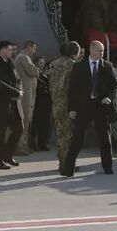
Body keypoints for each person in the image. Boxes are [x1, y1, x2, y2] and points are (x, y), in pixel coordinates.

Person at [61, 41, 117, 177]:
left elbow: (116, 84)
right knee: (77, 138)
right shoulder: (79, 66)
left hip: (101, 106)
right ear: (91, 50)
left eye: (103, 50)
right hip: (84, 106)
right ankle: (68, 169)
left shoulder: (107, 66)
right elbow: (72, 89)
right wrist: (72, 108)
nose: (101, 53)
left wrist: (110, 98)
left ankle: (107, 167)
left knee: (105, 139)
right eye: (99, 50)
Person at [0, 41, 24, 170]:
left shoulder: (10, 63)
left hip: (13, 103)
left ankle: (8, 155)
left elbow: (18, 79)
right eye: (9, 49)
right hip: (0, 104)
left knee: (19, 129)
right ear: (2, 50)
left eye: (12, 49)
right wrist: (15, 92)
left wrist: (19, 89)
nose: (11, 52)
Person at [48, 41, 81, 173]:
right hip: (68, 104)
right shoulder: (74, 65)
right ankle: (66, 164)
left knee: (61, 133)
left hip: (56, 103)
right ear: (76, 52)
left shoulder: (54, 64)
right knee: (69, 135)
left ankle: (62, 161)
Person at [14, 40, 40, 155]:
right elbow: (33, 71)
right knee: (24, 119)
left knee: (26, 119)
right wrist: (37, 70)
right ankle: (19, 146)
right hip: (25, 94)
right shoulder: (23, 57)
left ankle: (23, 145)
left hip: (27, 92)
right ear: (29, 47)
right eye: (33, 48)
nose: (34, 51)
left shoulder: (23, 57)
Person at [30, 56, 52, 152]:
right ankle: (32, 143)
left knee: (45, 123)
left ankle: (42, 143)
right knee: (35, 124)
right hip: (37, 100)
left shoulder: (45, 74)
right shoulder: (35, 73)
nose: (42, 65)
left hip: (46, 101)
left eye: (43, 63)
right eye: (40, 63)